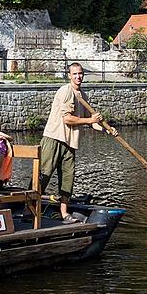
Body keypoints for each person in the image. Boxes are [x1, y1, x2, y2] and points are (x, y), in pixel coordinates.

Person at [39, 62, 115, 223]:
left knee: (68, 178)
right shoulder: (65, 91)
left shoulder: (83, 96)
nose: (78, 76)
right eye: (75, 74)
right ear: (69, 75)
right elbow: (67, 119)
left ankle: (64, 213)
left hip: (70, 143)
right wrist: (90, 119)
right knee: (44, 174)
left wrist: (106, 129)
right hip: (54, 138)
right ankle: (28, 208)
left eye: (80, 74)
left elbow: (91, 122)